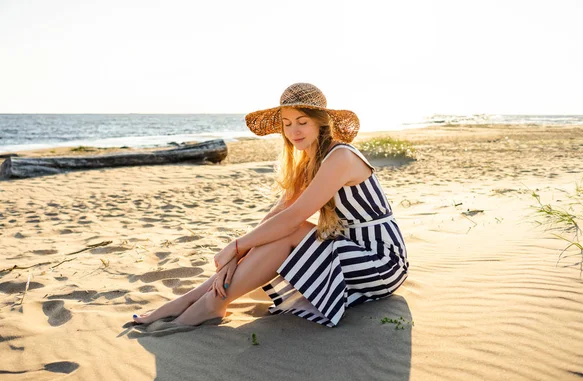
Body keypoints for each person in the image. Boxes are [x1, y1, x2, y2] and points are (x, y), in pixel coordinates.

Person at [133, 83, 408, 327]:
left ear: (320, 123)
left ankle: (211, 305)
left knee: (290, 230)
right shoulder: (311, 162)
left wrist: (236, 246)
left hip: (381, 263)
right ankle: (194, 299)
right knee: (279, 230)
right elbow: (277, 214)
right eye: (287, 124)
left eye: (302, 122)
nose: (293, 131)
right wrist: (235, 256)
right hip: (348, 252)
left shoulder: (341, 157)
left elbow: (295, 217)